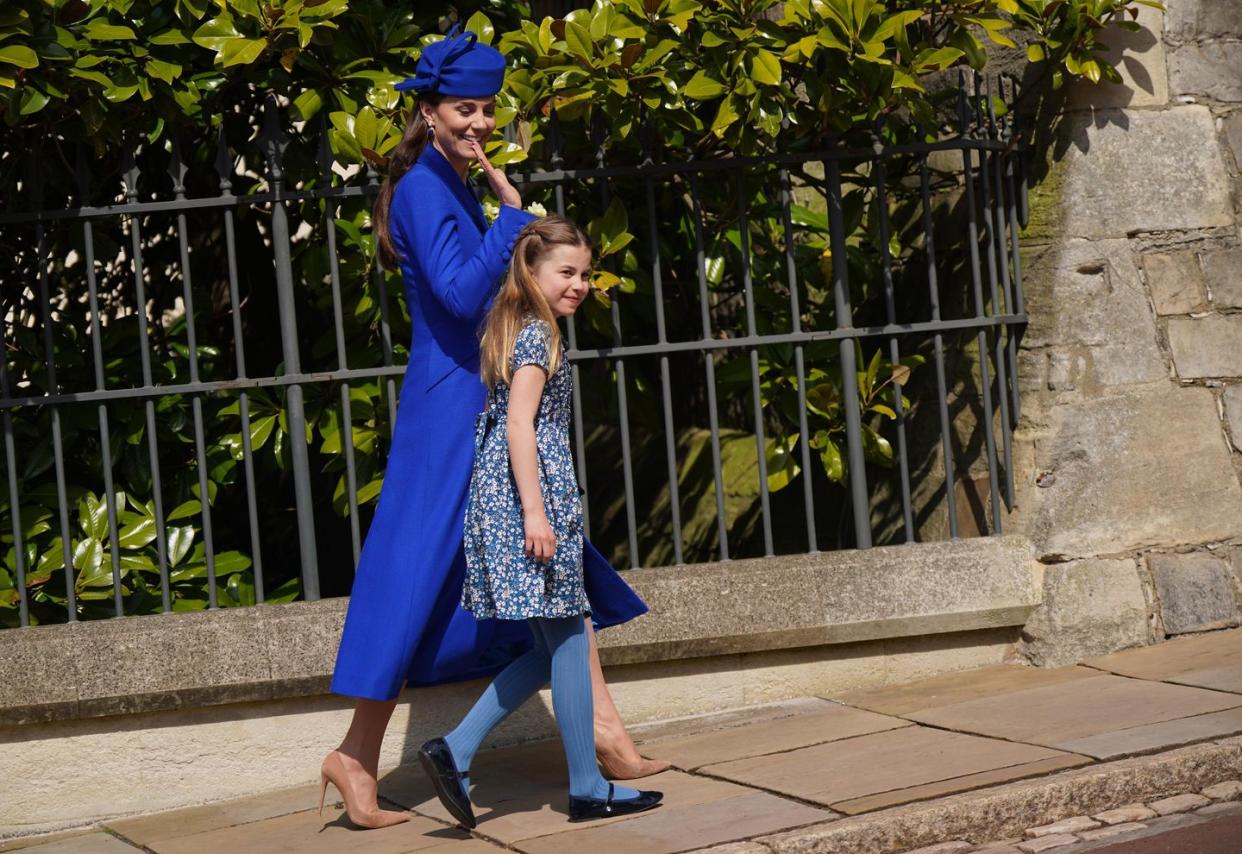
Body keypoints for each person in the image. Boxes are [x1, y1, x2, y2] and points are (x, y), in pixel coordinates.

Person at [320, 28, 666, 830]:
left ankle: (601, 735)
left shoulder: (447, 181)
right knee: (412, 584)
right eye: (462, 110)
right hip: (449, 408)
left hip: (473, 396)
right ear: (430, 113)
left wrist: (503, 219)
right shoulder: (421, 188)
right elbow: (456, 295)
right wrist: (514, 219)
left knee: (552, 569)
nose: (477, 123)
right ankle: (357, 756)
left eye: (485, 110)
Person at [419, 216, 662, 828]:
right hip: (527, 502)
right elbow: (519, 425)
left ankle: (459, 750)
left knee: (555, 644)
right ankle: (583, 786)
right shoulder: (536, 337)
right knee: (572, 640)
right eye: (566, 272)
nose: (579, 284)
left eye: (584, 273)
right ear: (531, 272)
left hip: (514, 499)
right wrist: (536, 511)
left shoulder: (521, 326)